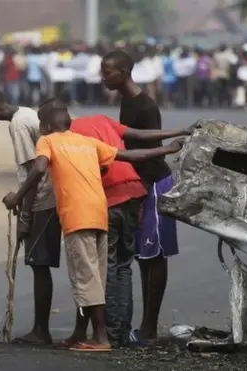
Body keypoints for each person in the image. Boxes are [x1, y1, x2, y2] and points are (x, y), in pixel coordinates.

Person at [1, 98, 185, 352]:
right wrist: (169, 149)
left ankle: (101, 337)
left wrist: (17, 198)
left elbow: (39, 168)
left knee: (86, 279)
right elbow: (130, 154)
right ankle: (95, 333)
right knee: (102, 275)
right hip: (101, 213)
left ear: (44, 126)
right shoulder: (88, 142)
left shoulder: (47, 141)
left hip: (79, 217)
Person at [67, 108, 194, 348]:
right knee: (124, 267)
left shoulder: (70, 139)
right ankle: (121, 331)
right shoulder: (101, 121)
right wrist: (179, 134)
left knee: (108, 268)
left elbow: (101, 169)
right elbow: (138, 139)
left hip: (111, 201)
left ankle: (110, 334)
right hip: (134, 196)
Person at [100, 49, 180, 344]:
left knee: (154, 256)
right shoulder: (126, 101)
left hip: (153, 184)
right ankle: (144, 326)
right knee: (143, 257)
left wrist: (140, 198)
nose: (103, 77)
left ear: (123, 71)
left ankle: (149, 327)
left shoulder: (146, 106)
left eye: (108, 72)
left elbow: (151, 154)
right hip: (138, 184)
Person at [0, 86, 60, 345]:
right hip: (45, 197)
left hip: (43, 201)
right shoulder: (26, 114)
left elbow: (35, 171)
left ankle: (41, 330)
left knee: (39, 264)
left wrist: (23, 212)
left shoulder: (19, 125)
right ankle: (40, 328)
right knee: (39, 264)